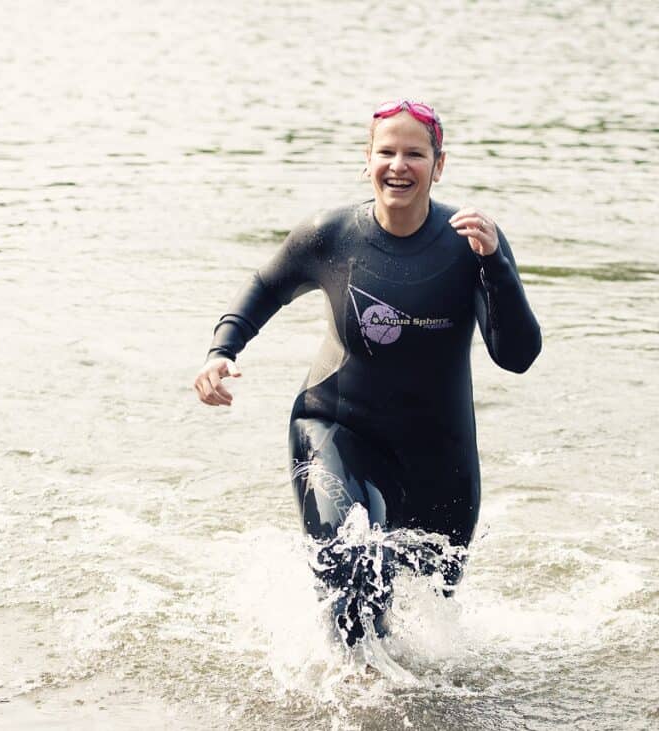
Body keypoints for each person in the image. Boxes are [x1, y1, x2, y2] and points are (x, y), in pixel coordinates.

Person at [193, 99, 541, 646]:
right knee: (352, 577)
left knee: (429, 620)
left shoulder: (472, 246)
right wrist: (222, 350)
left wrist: (496, 265)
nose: (398, 165)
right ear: (368, 159)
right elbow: (265, 287)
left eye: (414, 154)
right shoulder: (332, 235)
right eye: (387, 152)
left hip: (439, 454)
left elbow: (516, 355)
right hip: (336, 428)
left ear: (439, 164)